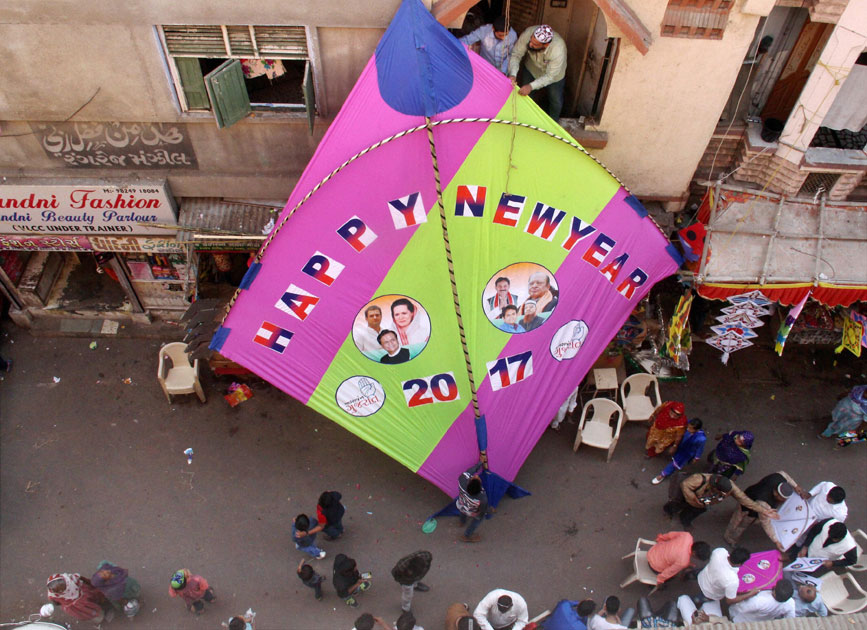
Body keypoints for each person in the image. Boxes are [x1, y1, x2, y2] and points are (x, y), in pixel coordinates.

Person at [723, 471, 809, 550]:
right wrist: (776, 540)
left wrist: (796, 486)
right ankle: (730, 538)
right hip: (748, 507)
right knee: (739, 523)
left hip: (751, 492)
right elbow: (766, 522)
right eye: (782, 498)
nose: (784, 501)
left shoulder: (778, 477)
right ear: (775, 493)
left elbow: (784, 474)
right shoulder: (764, 503)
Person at [663, 472, 777, 529]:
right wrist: (693, 499)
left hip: (703, 504)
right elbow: (685, 485)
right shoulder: (699, 479)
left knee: (693, 513)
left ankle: (685, 520)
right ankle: (669, 512)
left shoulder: (730, 487)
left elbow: (744, 499)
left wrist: (763, 510)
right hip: (689, 498)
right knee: (675, 506)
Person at [508, 25, 567, 121]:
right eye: (531, 40)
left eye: (535, 44)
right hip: (532, 69)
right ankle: (523, 121)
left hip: (555, 77)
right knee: (525, 97)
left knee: (555, 101)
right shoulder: (527, 34)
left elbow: (550, 76)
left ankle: (553, 124)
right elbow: (516, 54)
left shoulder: (558, 49)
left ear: (546, 45)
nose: (530, 44)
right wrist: (513, 74)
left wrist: (531, 86)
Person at [697, 547, 759, 613]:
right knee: (696, 600)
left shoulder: (719, 552)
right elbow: (730, 600)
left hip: (702, 577)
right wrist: (750, 594)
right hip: (709, 593)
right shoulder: (732, 580)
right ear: (740, 564)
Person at [652, 418, 706, 485]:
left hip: (686, 452)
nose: (688, 429)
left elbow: (700, 448)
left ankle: (663, 475)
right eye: (688, 427)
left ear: (697, 429)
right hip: (681, 446)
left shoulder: (701, 439)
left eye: (690, 428)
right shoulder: (688, 425)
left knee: (675, 464)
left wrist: (696, 457)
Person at [646, 532, 711, 586]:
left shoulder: (687, 536)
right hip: (654, 566)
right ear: (694, 553)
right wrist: (660, 580)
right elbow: (669, 571)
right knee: (672, 577)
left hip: (653, 551)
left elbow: (670, 535)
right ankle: (651, 585)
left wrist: (660, 538)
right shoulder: (683, 562)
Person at [729, 579, 796, 623]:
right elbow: (790, 619)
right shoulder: (791, 603)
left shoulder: (760, 601)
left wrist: (749, 594)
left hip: (741, 620)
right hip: (762, 621)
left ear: (775, 592)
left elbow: (740, 608)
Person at [456, 462, 489, 543]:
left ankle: (462, 522)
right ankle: (466, 535)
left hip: (461, 504)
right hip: (472, 511)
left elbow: (469, 471)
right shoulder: (482, 497)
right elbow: (482, 509)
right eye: (477, 478)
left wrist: (479, 464)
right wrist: (480, 514)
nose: (476, 475)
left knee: (462, 511)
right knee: (477, 520)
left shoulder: (462, 479)